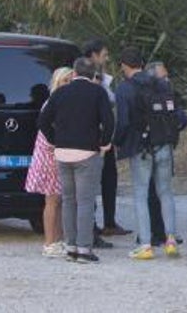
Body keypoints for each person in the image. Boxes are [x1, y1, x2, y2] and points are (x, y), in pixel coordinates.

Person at [37, 56, 115, 264]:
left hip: (62, 153)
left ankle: (70, 246)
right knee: (85, 202)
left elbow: (43, 120)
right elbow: (109, 120)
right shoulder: (98, 92)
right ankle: (84, 249)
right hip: (87, 153)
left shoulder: (61, 92)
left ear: (74, 73)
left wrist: (55, 140)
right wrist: (104, 142)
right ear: (94, 75)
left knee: (69, 201)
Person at [114, 48, 182, 261]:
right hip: (164, 145)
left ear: (124, 65)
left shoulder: (124, 89)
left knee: (141, 194)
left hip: (141, 147)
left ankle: (145, 244)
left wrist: (116, 142)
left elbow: (123, 122)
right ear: (142, 64)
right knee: (166, 192)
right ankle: (171, 240)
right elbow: (177, 114)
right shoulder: (161, 84)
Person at [25, 66, 74, 258]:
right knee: (52, 199)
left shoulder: (65, 102)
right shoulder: (51, 103)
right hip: (49, 156)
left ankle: (58, 239)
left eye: (71, 80)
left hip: (59, 154)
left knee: (59, 199)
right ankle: (49, 242)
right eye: (65, 81)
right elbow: (46, 130)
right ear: (56, 82)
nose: (68, 85)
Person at [82, 38, 128, 242]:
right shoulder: (86, 76)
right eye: (104, 54)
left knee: (110, 177)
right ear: (93, 55)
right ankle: (90, 226)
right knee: (90, 181)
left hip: (105, 135)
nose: (107, 58)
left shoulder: (103, 77)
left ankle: (110, 221)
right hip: (91, 136)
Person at [145, 60, 187, 247]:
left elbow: (182, 117)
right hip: (149, 148)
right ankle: (156, 232)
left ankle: (165, 233)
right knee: (153, 191)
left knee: (162, 190)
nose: (167, 79)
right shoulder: (147, 95)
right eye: (163, 76)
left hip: (165, 147)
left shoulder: (170, 94)